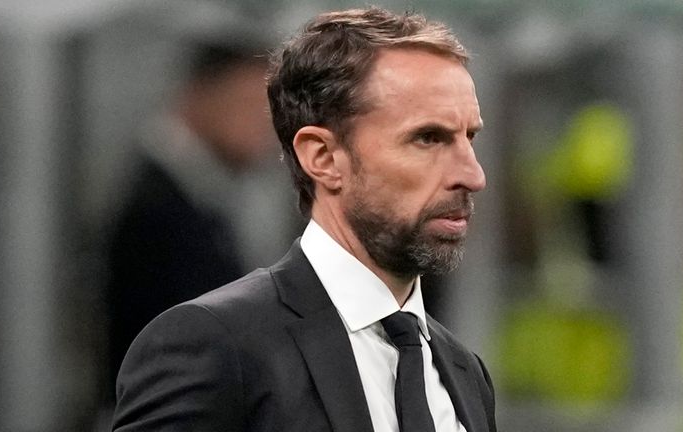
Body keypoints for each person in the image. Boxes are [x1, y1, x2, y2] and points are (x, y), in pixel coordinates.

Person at [112, 7, 496, 432]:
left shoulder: (465, 374)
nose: (473, 175)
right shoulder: (214, 345)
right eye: (427, 138)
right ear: (323, 157)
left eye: (469, 137)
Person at [105, 38, 288, 395]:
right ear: (199, 95)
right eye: (250, 107)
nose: (266, 132)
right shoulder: (160, 204)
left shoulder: (197, 191)